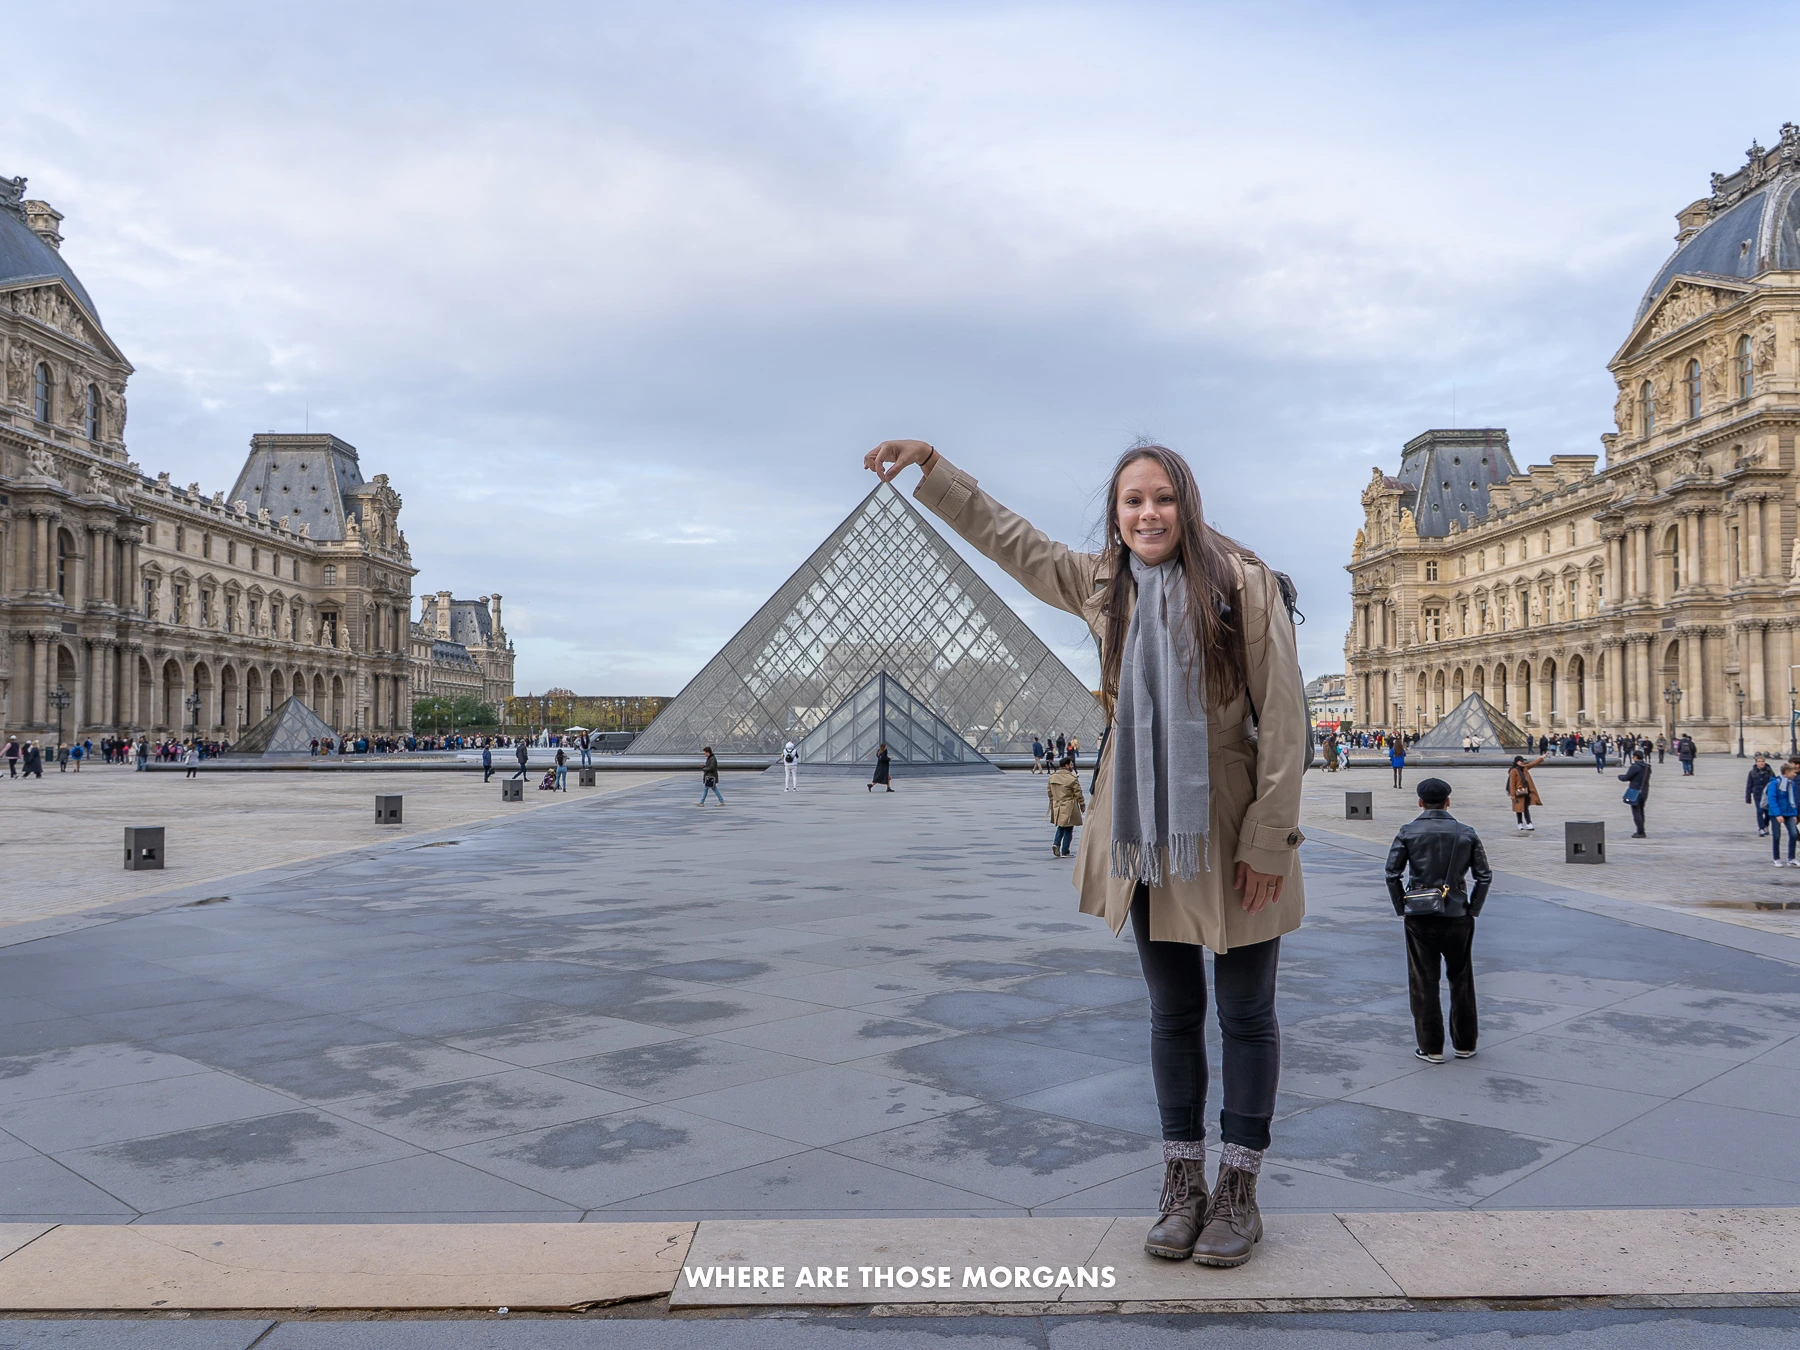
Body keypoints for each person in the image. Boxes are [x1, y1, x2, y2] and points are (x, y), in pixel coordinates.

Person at [865, 436, 1307, 1271]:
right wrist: (935, 468)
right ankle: (1183, 1184)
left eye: (1163, 498)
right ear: (1117, 514)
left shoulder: (1243, 587)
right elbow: (1011, 540)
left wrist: (1271, 843)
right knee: (1173, 1015)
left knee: (1246, 1013)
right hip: (1143, 830)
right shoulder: (1102, 584)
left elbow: (1285, 722)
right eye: (1133, 501)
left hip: (1230, 825)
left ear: (1189, 504)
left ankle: (1239, 1194)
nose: (1148, 514)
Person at [1384, 778, 1490, 1064]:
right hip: (1458, 914)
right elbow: (1484, 875)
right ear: (1448, 801)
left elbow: (1391, 874)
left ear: (1420, 802)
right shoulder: (1466, 833)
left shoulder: (1408, 832)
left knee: (1423, 981)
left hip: (1420, 915)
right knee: (1461, 979)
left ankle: (1431, 1046)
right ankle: (1465, 1043)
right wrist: (1474, 908)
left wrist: (1401, 907)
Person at [1047, 752, 1085, 858]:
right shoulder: (1071, 778)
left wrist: (1053, 801)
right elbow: (1078, 793)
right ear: (1067, 765)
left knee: (1061, 826)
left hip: (1057, 804)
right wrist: (1082, 804)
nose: (1072, 767)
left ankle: (1056, 843)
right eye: (1071, 765)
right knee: (1068, 828)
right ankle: (1065, 851)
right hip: (1069, 805)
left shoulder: (1052, 777)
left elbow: (1049, 792)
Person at [1766, 762, 1800, 867]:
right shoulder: (1775, 783)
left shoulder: (1791, 783)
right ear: (1787, 772)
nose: (1795, 774)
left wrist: (1794, 814)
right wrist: (1778, 814)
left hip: (1789, 812)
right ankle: (1776, 858)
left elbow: (1792, 799)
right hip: (1776, 813)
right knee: (1776, 836)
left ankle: (1791, 858)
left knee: (1794, 834)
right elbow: (1772, 800)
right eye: (1794, 772)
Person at [1506, 754, 1544, 832]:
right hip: (1518, 793)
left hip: (1526, 792)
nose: (1522, 762)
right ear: (1517, 762)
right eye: (1521, 761)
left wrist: (1541, 758)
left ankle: (1528, 823)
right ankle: (1520, 823)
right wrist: (1513, 795)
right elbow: (1512, 783)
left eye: (1523, 761)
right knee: (1519, 809)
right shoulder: (1514, 771)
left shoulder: (1524, 768)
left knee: (1525, 808)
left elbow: (1533, 764)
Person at [1620, 750, 1651, 837]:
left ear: (1636, 757)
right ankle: (1641, 829)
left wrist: (1620, 777)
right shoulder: (1647, 767)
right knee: (1641, 811)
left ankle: (1640, 832)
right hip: (1644, 790)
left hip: (1635, 791)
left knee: (1636, 811)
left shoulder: (1635, 767)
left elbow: (1626, 777)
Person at [1748, 753, 1774, 837]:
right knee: (1759, 812)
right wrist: (1748, 797)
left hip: (1767, 795)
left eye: (1763, 761)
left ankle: (1766, 825)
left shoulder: (1770, 771)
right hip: (1758, 795)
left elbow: (1775, 783)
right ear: (1756, 763)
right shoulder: (1752, 772)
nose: (1761, 763)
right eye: (1759, 761)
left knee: (1768, 813)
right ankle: (1761, 828)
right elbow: (1749, 785)